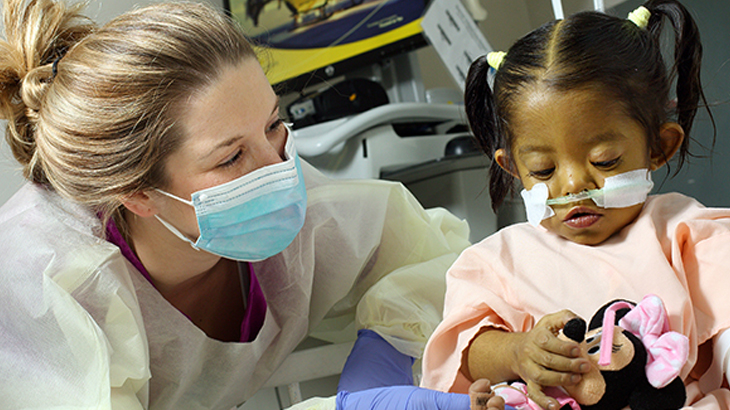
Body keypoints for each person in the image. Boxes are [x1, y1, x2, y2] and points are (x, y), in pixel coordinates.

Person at [0, 1, 506, 409]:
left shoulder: (307, 209)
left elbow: (433, 270)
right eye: (232, 157)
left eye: (272, 124)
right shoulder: (42, 289)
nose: (280, 169)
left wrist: (385, 356)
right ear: (138, 194)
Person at [420, 1, 730, 409]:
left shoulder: (689, 233)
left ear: (659, 147)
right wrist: (517, 352)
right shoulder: (495, 262)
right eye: (543, 170)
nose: (573, 185)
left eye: (604, 162)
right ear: (512, 168)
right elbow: (464, 350)